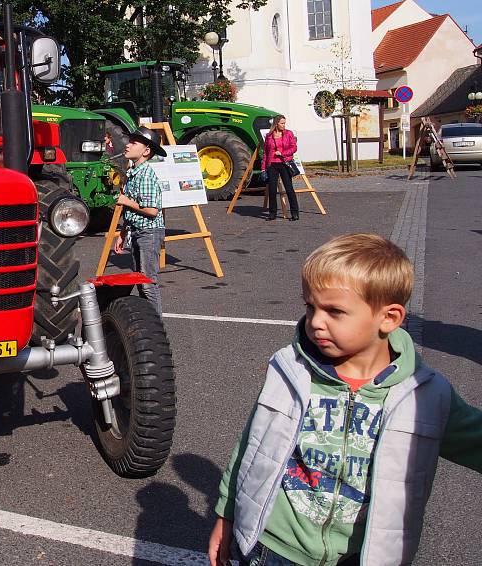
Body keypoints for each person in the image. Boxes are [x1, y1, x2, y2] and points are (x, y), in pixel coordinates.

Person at [208, 233, 482, 566]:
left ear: (389, 318)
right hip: (275, 548)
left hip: (361, 555)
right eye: (311, 307)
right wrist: (226, 511)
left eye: (334, 311)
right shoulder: (290, 369)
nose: (316, 322)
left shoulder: (426, 396)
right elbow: (251, 446)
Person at [114, 126, 166, 316]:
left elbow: (152, 210)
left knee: (147, 282)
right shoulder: (132, 172)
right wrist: (122, 233)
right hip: (137, 231)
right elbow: (131, 209)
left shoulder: (146, 174)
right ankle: (149, 321)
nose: (127, 145)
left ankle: (155, 324)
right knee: (140, 281)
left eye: (133, 143)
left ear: (146, 151)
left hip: (149, 233)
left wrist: (126, 201)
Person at [262, 115, 300, 221]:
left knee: (289, 188)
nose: (284, 125)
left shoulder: (289, 133)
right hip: (272, 165)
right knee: (272, 190)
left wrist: (282, 153)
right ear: (276, 124)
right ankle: (272, 213)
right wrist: (263, 167)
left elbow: (294, 148)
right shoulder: (269, 136)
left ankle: (295, 213)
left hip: (285, 163)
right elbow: (265, 153)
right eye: (282, 123)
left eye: (284, 123)